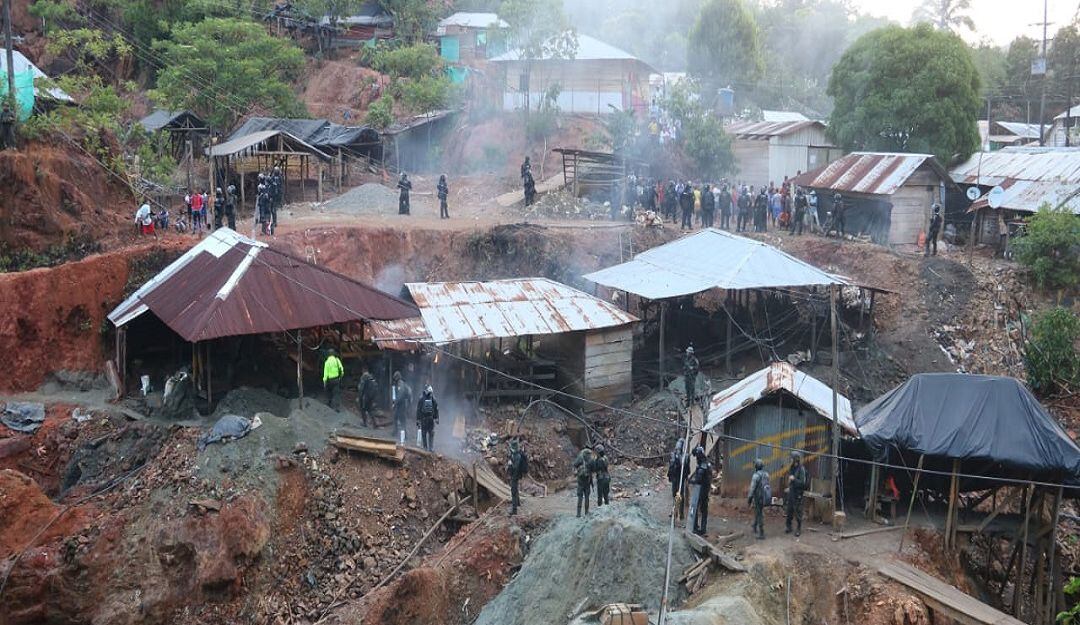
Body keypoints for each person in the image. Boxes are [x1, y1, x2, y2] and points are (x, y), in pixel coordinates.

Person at [687, 446, 713, 536]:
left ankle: (697, 528)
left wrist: (691, 481)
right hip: (705, 488)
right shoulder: (706, 463)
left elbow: (699, 479)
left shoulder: (703, 465)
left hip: (702, 489)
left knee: (697, 507)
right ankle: (702, 528)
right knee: (703, 509)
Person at [784, 451, 808, 537]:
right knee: (789, 509)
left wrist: (794, 479)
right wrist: (789, 485)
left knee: (798, 511)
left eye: (791, 458)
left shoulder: (801, 469)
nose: (790, 460)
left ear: (795, 460)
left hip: (798, 493)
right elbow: (790, 478)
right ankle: (788, 526)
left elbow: (803, 483)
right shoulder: (791, 468)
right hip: (791, 492)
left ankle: (798, 528)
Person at [668, 439, 691, 522]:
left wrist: (685, 475)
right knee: (674, 495)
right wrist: (669, 475)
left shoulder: (686, 456)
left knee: (680, 495)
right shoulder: (673, 455)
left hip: (681, 477)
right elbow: (671, 466)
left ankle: (681, 513)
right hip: (675, 477)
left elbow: (688, 470)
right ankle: (674, 510)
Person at [748, 458, 769, 539]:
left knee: (759, 513)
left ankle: (762, 533)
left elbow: (752, 488)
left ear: (756, 466)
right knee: (758, 511)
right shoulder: (766, 474)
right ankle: (754, 525)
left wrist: (749, 498)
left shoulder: (756, 476)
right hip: (764, 496)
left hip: (758, 497)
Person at [507, 438, 528, 515]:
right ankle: (518, 503)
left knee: (513, 491)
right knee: (515, 488)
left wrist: (510, 464)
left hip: (515, 475)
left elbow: (515, 467)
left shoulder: (517, 456)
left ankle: (514, 510)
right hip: (516, 474)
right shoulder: (517, 453)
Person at [391, 371, 412, 445]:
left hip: (401, 405)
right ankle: (395, 432)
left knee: (402, 420)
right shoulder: (399, 384)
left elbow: (399, 396)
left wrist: (395, 404)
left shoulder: (401, 384)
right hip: (400, 405)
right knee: (395, 417)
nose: (394, 379)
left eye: (395, 378)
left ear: (397, 377)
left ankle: (405, 435)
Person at [415, 385, 439, 451]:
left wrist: (437, 418)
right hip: (424, 419)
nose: (430, 394)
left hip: (430, 419)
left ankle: (431, 447)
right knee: (424, 433)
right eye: (430, 393)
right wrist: (418, 420)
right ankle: (425, 447)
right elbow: (418, 410)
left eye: (431, 393)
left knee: (431, 433)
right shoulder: (421, 399)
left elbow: (436, 408)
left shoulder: (433, 399)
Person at [573, 446, 595, 518]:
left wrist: (576, 471)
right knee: (587, 497)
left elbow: (575, 464)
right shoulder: (591, 460)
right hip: (587, 481)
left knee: (580, 497)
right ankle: (586, 512)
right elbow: (593, 470)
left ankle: (578, 513)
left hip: (580, 481)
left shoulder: (580, 458)